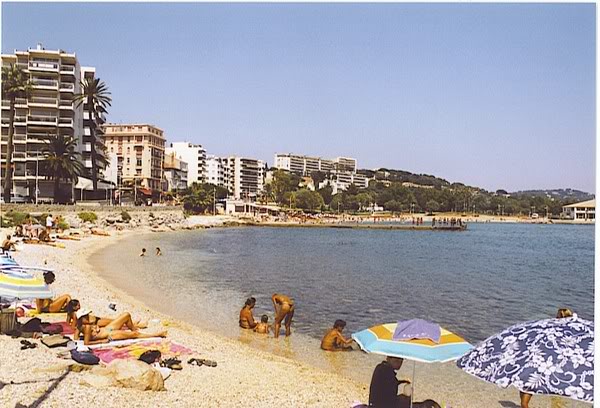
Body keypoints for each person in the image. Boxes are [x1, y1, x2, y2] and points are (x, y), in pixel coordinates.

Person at [519, 308, 575, 408]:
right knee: (525, 383)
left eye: (558, 317)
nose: (555, 318)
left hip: (548, 361)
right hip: (543, 357)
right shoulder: (567, 331)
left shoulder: (561, 331)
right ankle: (524, 404)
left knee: (529, 384)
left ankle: (524, 405)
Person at [369, 356, 441, 408]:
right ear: (388, 358)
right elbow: (388, 400)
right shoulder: (386, 372)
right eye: (396, 359)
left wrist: (401, 383)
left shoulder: (381, 368)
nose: (400, 362)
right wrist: (405, 397)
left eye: (401, 359)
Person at [76, 309, 167, 345]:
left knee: (126, 315)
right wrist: (101, 341)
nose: (88, 317)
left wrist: (93, 331)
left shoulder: (81, 326)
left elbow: (75, 338)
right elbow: (86, 343)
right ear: (81, 319)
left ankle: (134, 327)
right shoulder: (86, 327)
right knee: (134, 334)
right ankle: (156, 335)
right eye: (86, 316)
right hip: (110, 334)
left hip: (107, 328)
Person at [66, 299, 147, 335]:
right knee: (117, 322)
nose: (80, 306)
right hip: (96, 322)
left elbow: (67, 322)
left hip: (96, 320)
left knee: (116, 320)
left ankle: (134, 324)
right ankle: (137, 325)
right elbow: (73, 326)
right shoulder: (76, 314)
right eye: (78, 305)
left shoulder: (73, 313)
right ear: (74, 307)